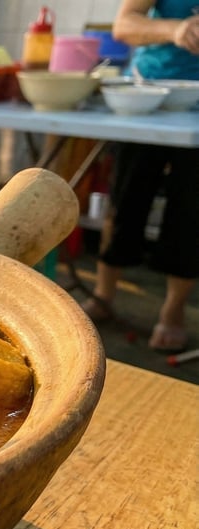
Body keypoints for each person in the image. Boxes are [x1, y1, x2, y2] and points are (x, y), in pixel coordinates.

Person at [83, 0, 199, 352]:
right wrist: (175, 29)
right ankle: (104, 293)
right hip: (147, 97)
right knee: (125, 197)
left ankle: (173, 308)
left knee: (192, 209)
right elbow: (124, 26)